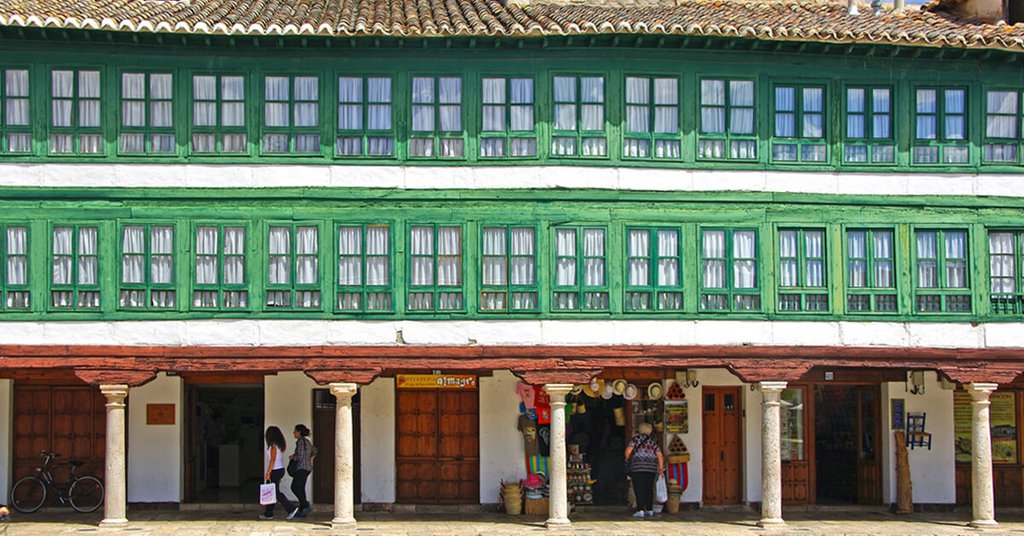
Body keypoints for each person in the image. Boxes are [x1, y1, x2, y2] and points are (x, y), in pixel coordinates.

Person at [624, 422, 664, 519]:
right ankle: (649, 510)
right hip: (651, 468)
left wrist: (627, 459)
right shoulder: (652, 442)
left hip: (637, 467)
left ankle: (640, 510)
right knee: (649, 489)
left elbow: (628, 451)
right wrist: (660, 468)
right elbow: (659, 455)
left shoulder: (636, 440)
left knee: (639, 488)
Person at [260, 426, 297, 520]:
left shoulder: (273, 446)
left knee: (275, 492)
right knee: (272, 492)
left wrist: (268, 472)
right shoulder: (279, 445)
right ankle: (268, 513)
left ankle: (291, 509)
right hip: (279, 469)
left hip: (275, 470)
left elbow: (272, 460)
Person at [289, 424, 318, 518]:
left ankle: (305, 505)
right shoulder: (307, 441)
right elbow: (315, 450)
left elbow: (300, 456)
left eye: (295, 431)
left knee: (294, 487)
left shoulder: (300, 442)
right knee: (301, 488)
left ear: (299, 432)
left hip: (301, 468)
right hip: (307, 468)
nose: (294, 433)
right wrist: (310, 458)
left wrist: (293, 457)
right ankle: (302, 509)